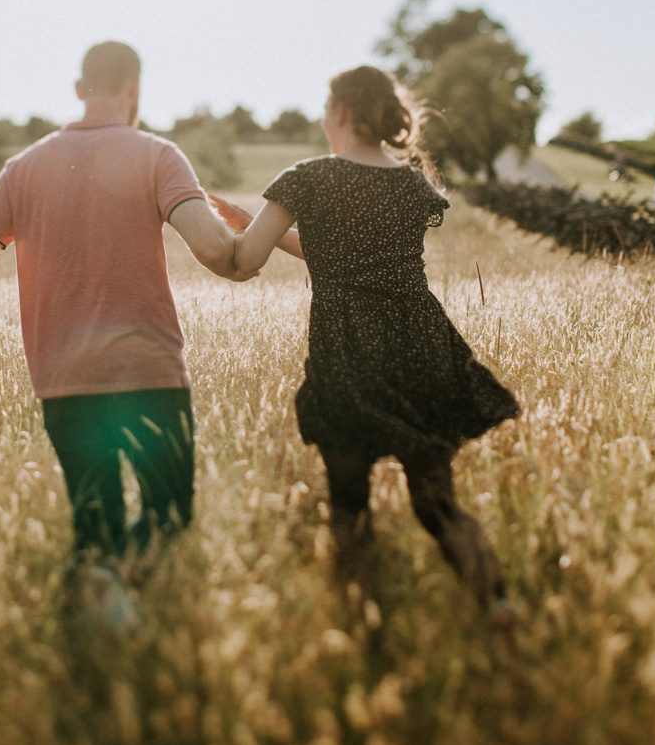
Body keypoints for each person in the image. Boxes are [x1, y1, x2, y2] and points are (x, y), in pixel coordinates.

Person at [209, 66, 520, 601]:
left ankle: (360, 622)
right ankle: (499, 603)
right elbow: (348, 252)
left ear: (341, 113)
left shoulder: (307, 177)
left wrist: (218, 226)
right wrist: (263, 226)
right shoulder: (409, 182)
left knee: (349, 501)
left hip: (348, 347)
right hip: (422, 342)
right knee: (436, 502)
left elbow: (244, 262)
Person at [0, 41, 245, 566]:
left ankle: (100, 600)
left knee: (94, 526)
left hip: (66, 382)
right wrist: (256, 237)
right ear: (134, 89)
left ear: (79, 90)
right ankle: (138, 609)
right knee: (169, 518)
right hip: (150, 375)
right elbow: (216, 252)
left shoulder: (22, 168)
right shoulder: (158, 156)